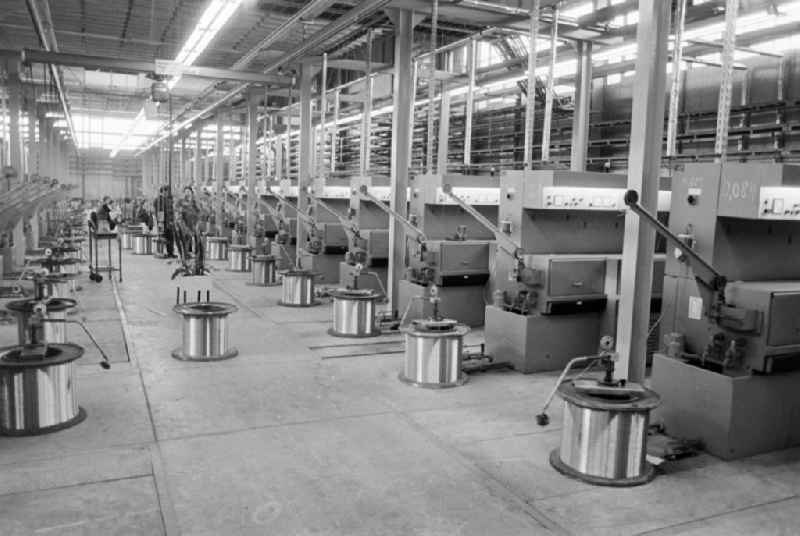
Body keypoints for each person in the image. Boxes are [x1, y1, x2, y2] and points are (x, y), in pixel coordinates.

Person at [153, 186, 176, 257]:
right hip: (163, 222)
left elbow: (170, 211)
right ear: (163, 191)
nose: (168, 193)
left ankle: (170, 252)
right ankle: (161, 252)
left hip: (168, 222)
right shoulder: (158, 200)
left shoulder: (167, 199)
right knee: (163, 236)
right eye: (167, 191)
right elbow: (159, 211)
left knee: (170, 237)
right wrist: (160, 222)